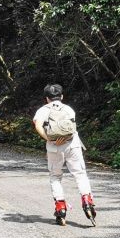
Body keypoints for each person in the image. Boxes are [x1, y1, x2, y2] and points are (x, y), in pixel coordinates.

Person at [33, 83, 97, 227]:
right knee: (80, 174)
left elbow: (37, 125)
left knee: (55, 176)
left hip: (54, 147)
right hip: (72, 144)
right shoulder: (69, 109)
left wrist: (49, 139)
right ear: (61, 96)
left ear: (47, 98)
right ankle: (87, 201)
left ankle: (60, 208)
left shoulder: (43, 110)